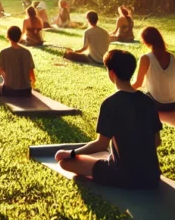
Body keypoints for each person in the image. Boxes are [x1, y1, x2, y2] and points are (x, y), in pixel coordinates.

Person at [54, 49, 162, 190]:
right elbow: (157, 141)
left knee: (65, 162)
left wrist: (70, 153)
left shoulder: (110, 103)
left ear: (112, 73)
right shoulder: (149, 101)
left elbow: (101, 145)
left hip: (123, 176)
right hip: (152, 176)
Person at [133, 27, 175, 112]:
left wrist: (121, 91)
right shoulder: (171, 57)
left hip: (156, 104)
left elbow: (138, 83)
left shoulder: (146, 58)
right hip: (172, 104)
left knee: (133, 96)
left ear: (146, 41)